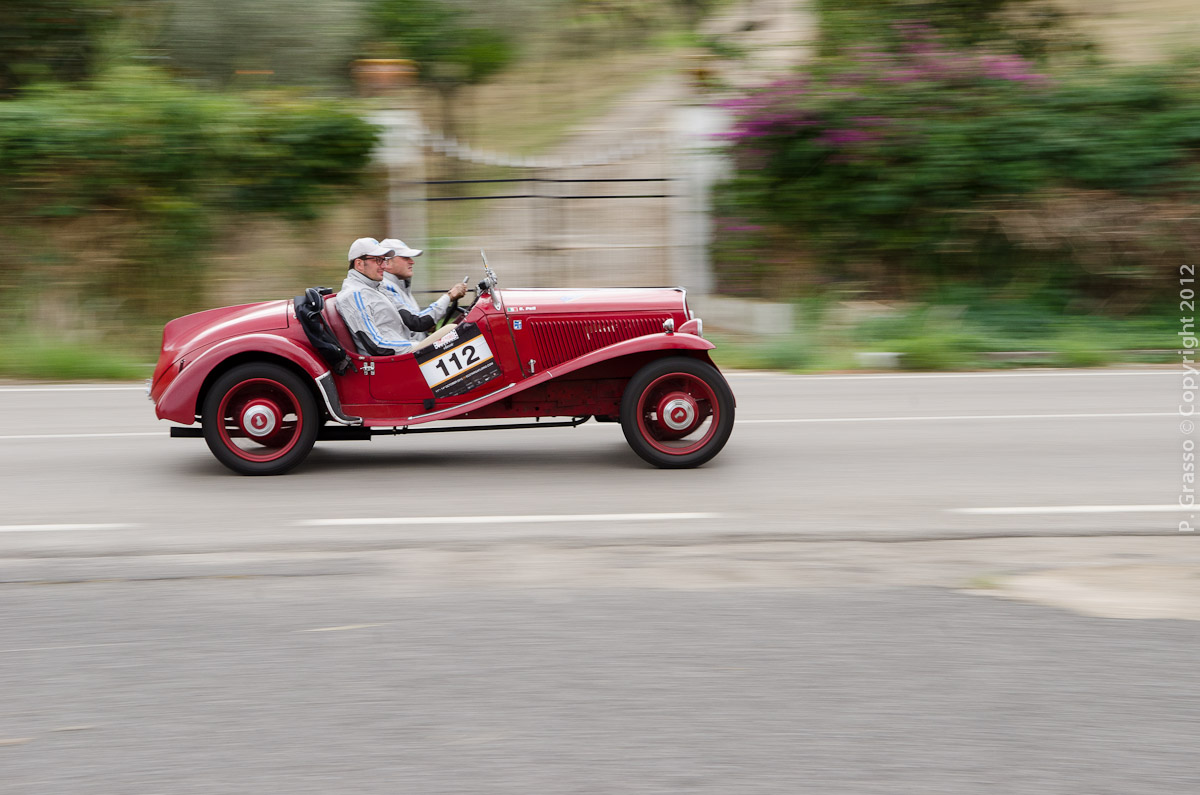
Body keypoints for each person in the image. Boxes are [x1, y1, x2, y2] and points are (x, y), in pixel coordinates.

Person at [337, 238, 458, 356]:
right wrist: (419, 347)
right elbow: (377, 345)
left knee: (455, 332)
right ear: (359, 264)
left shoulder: (379, 287)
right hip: (393, 363)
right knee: (453, 332)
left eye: (384, 260)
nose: (384, 266)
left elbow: (414, 320)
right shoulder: (354, 295)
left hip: (404, 352)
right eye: (378, 260)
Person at [378, 238, 469, 343]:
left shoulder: (400, 285)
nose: (412, 262)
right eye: (405, 258)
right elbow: (418, 322)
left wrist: (427, 326)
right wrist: (449, 296)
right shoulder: (386, 287)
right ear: (387, 263)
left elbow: (408, 322)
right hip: (412, 352)